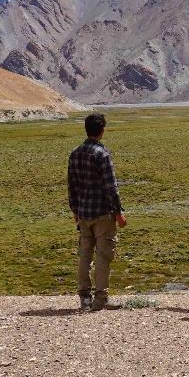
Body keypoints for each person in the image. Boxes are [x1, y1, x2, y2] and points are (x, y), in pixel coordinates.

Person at [67, 112, 127, 311]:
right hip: (102, 214)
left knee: (85, 254)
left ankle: (84, 298)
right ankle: (100, 299)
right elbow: (111, 187)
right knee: (103, 255)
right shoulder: (102, 154)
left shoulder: (75, 153)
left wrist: (75, 210)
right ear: (102, 131)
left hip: (83, 214)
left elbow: (72, 186)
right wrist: (118, 212)